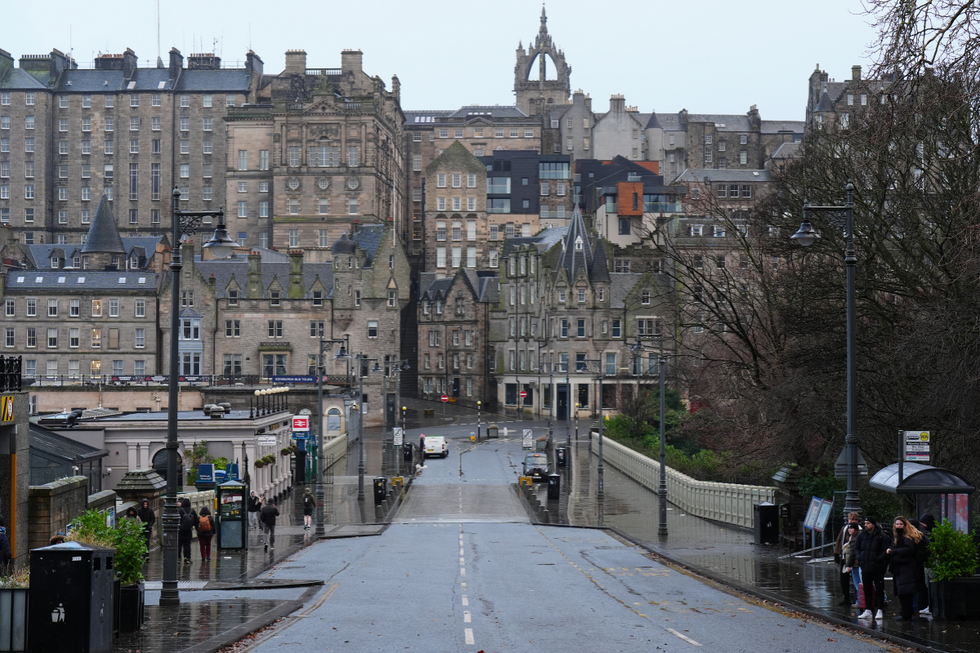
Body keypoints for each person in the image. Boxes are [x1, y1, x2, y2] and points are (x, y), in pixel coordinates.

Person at [888, 516, 927, 620]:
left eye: (900, 524)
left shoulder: (907, 537)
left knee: (905, 592)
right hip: (901, 567)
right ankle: (906, 613)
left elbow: (908, 549)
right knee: (903, 592)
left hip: (907, 568)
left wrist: (895, 552)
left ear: (905, 525)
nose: (898, 526)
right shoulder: (898, 537)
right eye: (897, 524)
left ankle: (906, 614)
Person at [855, 516, 890, 620]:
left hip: (877, 567)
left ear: (873, 524)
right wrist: (859, 557)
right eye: (865, 523)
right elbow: (857, 548)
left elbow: (886, 550)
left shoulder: (882, 536)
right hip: (865, 565)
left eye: (868, 523)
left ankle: (880, 609)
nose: (866, 525)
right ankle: (868, 609)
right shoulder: (861, 536)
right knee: (867, 588)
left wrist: (878, 559)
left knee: (879, 588)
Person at [834, 512, 861, 606]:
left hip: (853, 558)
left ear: (857, 521)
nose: (851, 522)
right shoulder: (844, 528)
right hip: (844, 556)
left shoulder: (860, 530)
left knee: (857, 579)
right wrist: (836, 553)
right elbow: (839, 540)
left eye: (853, 520)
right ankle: (846, 598)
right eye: (850, 519)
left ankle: (858, 599)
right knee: (843, 579)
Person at [917, 513, 936, 616]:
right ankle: (929, 605)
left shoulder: (932, 534)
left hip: (931, 562)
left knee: (930, 584)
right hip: (928, 562)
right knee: (927, 584)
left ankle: (931, 606)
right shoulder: (929, 533)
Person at [841, 523, 862, 607]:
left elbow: (852, 553)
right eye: (849, 528)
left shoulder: (854, 539)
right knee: (858, 583)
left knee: (858, 584)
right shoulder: (851, 538)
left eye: (852, 528)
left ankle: (859, 602)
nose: (850, 530)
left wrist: (848, 565)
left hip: (855, 565)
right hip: (854, 564)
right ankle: (859, 601)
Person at [178, 498, 197, 564]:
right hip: (188, 531)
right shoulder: (192, 511)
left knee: (179, 545)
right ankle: (187, 558)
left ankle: (178, 558)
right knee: (187, 545)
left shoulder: (180, 510)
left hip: (180, 531)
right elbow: (196, 521)